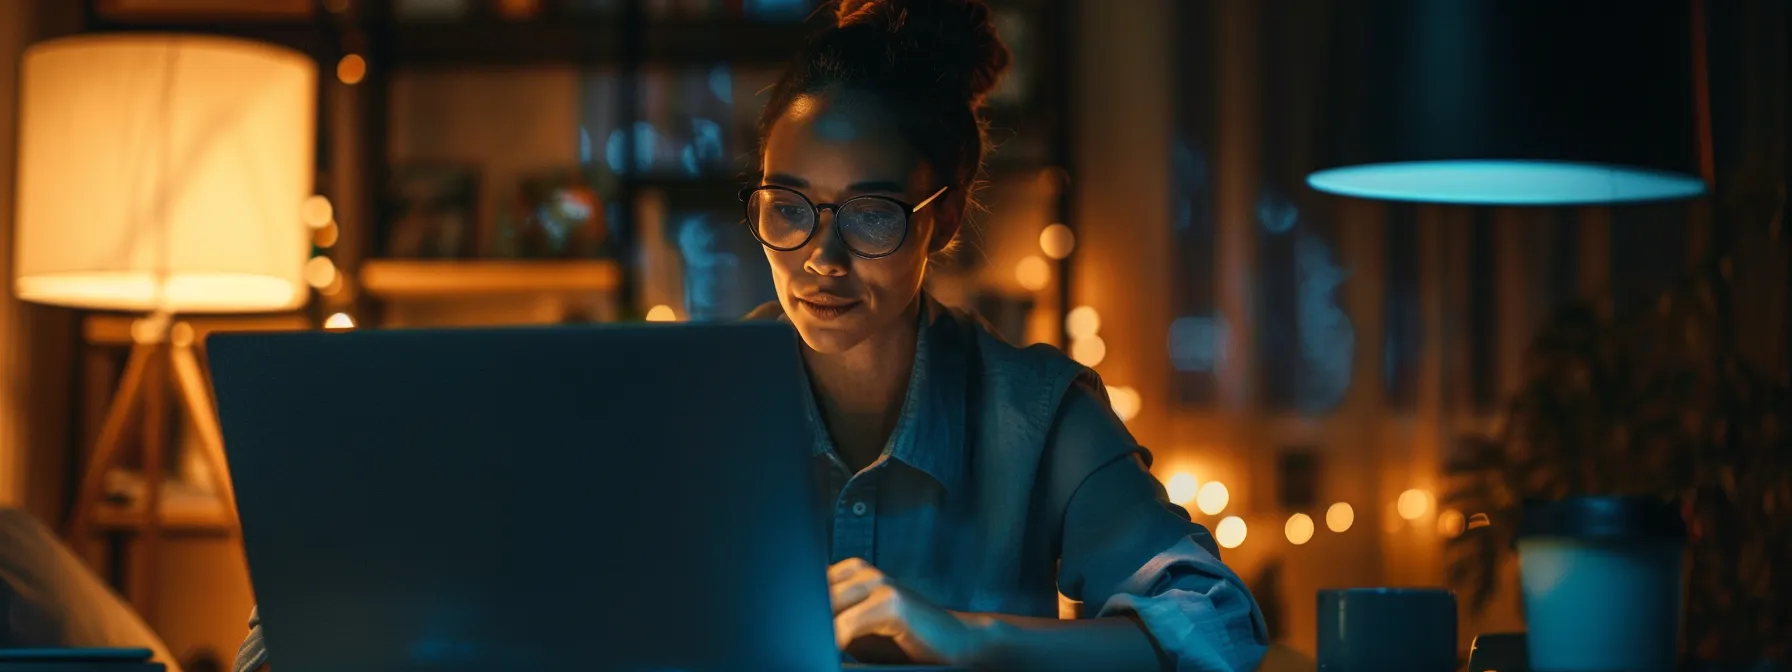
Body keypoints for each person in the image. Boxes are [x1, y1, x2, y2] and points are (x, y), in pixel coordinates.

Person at [234, 1, 1266, 670]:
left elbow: (1215, 630)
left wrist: (966, 637)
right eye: (788, 206)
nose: (819, 259)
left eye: (869, 212)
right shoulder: (671, 402)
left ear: (941, 218)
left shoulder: (1031, 416)